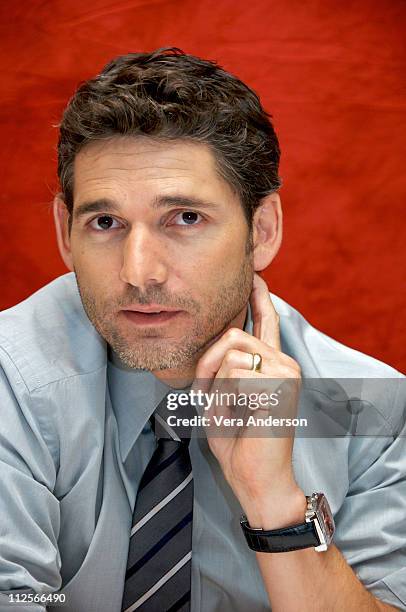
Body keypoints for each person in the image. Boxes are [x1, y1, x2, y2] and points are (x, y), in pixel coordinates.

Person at [0, 47, 404, 612]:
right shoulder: (10, 380)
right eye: (106, 222)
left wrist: (275, 501)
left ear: (262, 231)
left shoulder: (369, 408)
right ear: (66, 236)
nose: (139, 272)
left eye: (185, 218)